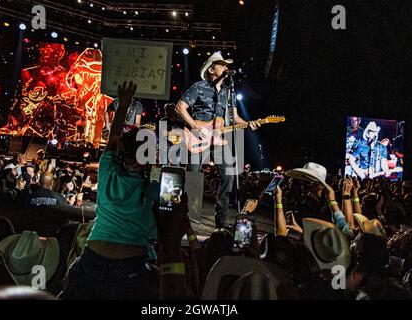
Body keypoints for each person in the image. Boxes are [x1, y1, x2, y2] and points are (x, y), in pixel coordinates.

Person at [60, 82, 159, 299]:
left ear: (123, 149)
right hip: (131, 271)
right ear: (150, 157)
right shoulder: (153, 190)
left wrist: (123, 104)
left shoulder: (107, 171)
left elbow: (113, 136)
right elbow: (157, 232)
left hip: (91, 261)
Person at [175, 52, 262, 228]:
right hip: (198, 137)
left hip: (218, 139)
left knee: (229, 175)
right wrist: (194, 126)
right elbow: (180, 107)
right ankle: (186, 221)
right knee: (193, 177)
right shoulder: (199, 87)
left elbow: (234, 116)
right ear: (211, 70)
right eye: (221, 65)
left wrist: (249, 123)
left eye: (225, 65)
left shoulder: (228, 92)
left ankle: (220, 222)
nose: (225, 67)